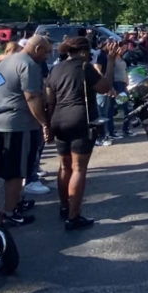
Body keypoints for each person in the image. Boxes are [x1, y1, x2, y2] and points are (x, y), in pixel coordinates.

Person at [45, 38, 116, 230]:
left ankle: (64, 206)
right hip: (80, 120)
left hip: (58, 120)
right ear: (83, 51)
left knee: (64, 166)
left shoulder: (56, 68)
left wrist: (48, 125)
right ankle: (73, 216)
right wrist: (111, 61)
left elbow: (50, 99)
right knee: (78, 168)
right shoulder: (85, 67)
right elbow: (105, 86)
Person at [0, 34, 53, 226]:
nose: (47, 57)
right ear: (37, 49)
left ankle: (17, 201)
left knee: (12, 168)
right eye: (47, 52)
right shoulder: (29, 65)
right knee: (16, 171)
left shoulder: (6, 61)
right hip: (17, 123)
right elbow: (32, 97)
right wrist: (44, 122)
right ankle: (9, 212)